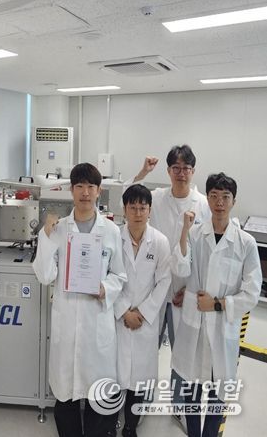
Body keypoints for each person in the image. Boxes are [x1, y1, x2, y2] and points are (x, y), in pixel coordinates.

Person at [33, 163, 126, 437]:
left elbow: (119, 275)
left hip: (97, 320)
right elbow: (45, 276)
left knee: (99, 397)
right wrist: (45, 237)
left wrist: (104, 288)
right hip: (68, 323)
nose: (85, 192)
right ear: (71, 190)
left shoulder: (111, 231)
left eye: (91, 187)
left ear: (99, 191)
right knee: (66, 396)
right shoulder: (58, 229)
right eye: (80, 186)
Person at [172, 173, 262, 437]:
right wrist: (183, 232)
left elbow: (252, 293)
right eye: (213, 196)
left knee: (217, 395)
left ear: (234, 201)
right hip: (195, 326)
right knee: (191, 391)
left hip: (222, 328)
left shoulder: (245, 243)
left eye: (225, 196)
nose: (219, 202)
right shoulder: (195, 234)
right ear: (208, 199)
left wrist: (218, 304)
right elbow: (180, 270)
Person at [128, 145, 211, 433]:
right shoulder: (157, 197)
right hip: (151, 291)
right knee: (144, 349)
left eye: (186, 168)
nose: (181, 173)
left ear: (193, 171)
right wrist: (143, 172)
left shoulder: (203, 205)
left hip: (183, 293)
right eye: (176, 168)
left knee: (182, 354)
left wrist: (190, 288)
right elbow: (127, 196)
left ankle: (179, 407)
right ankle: (141, 401)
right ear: (168, 171)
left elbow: (203, 253)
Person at [115, 185, 171, 437]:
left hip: (144, 320)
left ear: (150, 210)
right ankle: (111, 423)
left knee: (139, 378)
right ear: (124, 209)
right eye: (133, 207)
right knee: (115, 375)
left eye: (142, 208)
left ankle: (130, 427)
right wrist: (123, 311)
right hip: (118, 317)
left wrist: (143, 313)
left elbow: (164, 281)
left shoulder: (159, 241)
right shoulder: (114, 238)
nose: (138, 213)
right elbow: (106, 276)